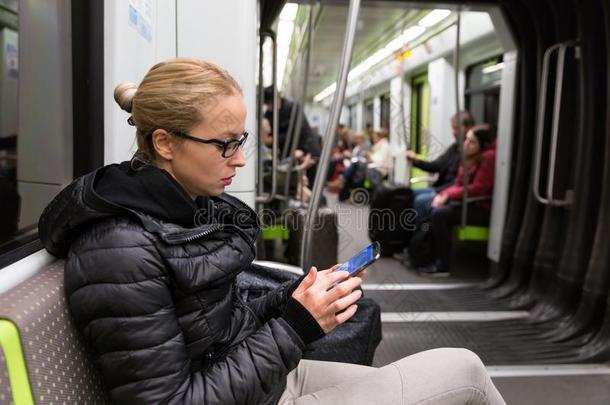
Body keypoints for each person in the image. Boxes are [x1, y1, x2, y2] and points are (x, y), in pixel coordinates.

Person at [38, 59, 505, 405]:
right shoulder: (122, 248)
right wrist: (296, 327)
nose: (240, 160)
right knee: (464, 369)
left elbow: (216, 327)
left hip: (256, 383)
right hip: (250, 392)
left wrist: (290, 299)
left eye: (240, 141)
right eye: (225, 144)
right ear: (164, 143)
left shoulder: (183, 212)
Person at [418, 124, 496, 277]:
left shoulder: (488, 158)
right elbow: (459, 184)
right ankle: (426, 255)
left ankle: (443, 264)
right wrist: (443, 195)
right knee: (431, 207)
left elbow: (478, 188)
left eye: (471, 142)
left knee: (439, 214)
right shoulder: (470, 157)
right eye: (466, 140)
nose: (466, 144)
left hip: (480, 207)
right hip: (467, 203)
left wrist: (447, 195)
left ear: (483, 145)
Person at [406, 111, 475, 223]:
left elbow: (460, 182)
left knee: (420, 200)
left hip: (449, 191)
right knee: (408, 193)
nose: (454, 132)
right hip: (440, 187)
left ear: (469, 128)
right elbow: (436, 165)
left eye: (457, 128)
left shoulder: (471, 153)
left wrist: (439, 191)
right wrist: (416, 161)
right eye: (453, 128)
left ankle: (419, 236)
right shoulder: (454, 148)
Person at [263, 86, 321, 186]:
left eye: (271, 103)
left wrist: (273, 140)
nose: (270, 107)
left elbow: (298, 130)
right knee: (292, 182)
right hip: (288, 152)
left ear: (278, 97)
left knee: (311, 181)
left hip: (306, 146)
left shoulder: (293, 108)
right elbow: (268, 133)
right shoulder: (269, 113)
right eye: (268, 104)